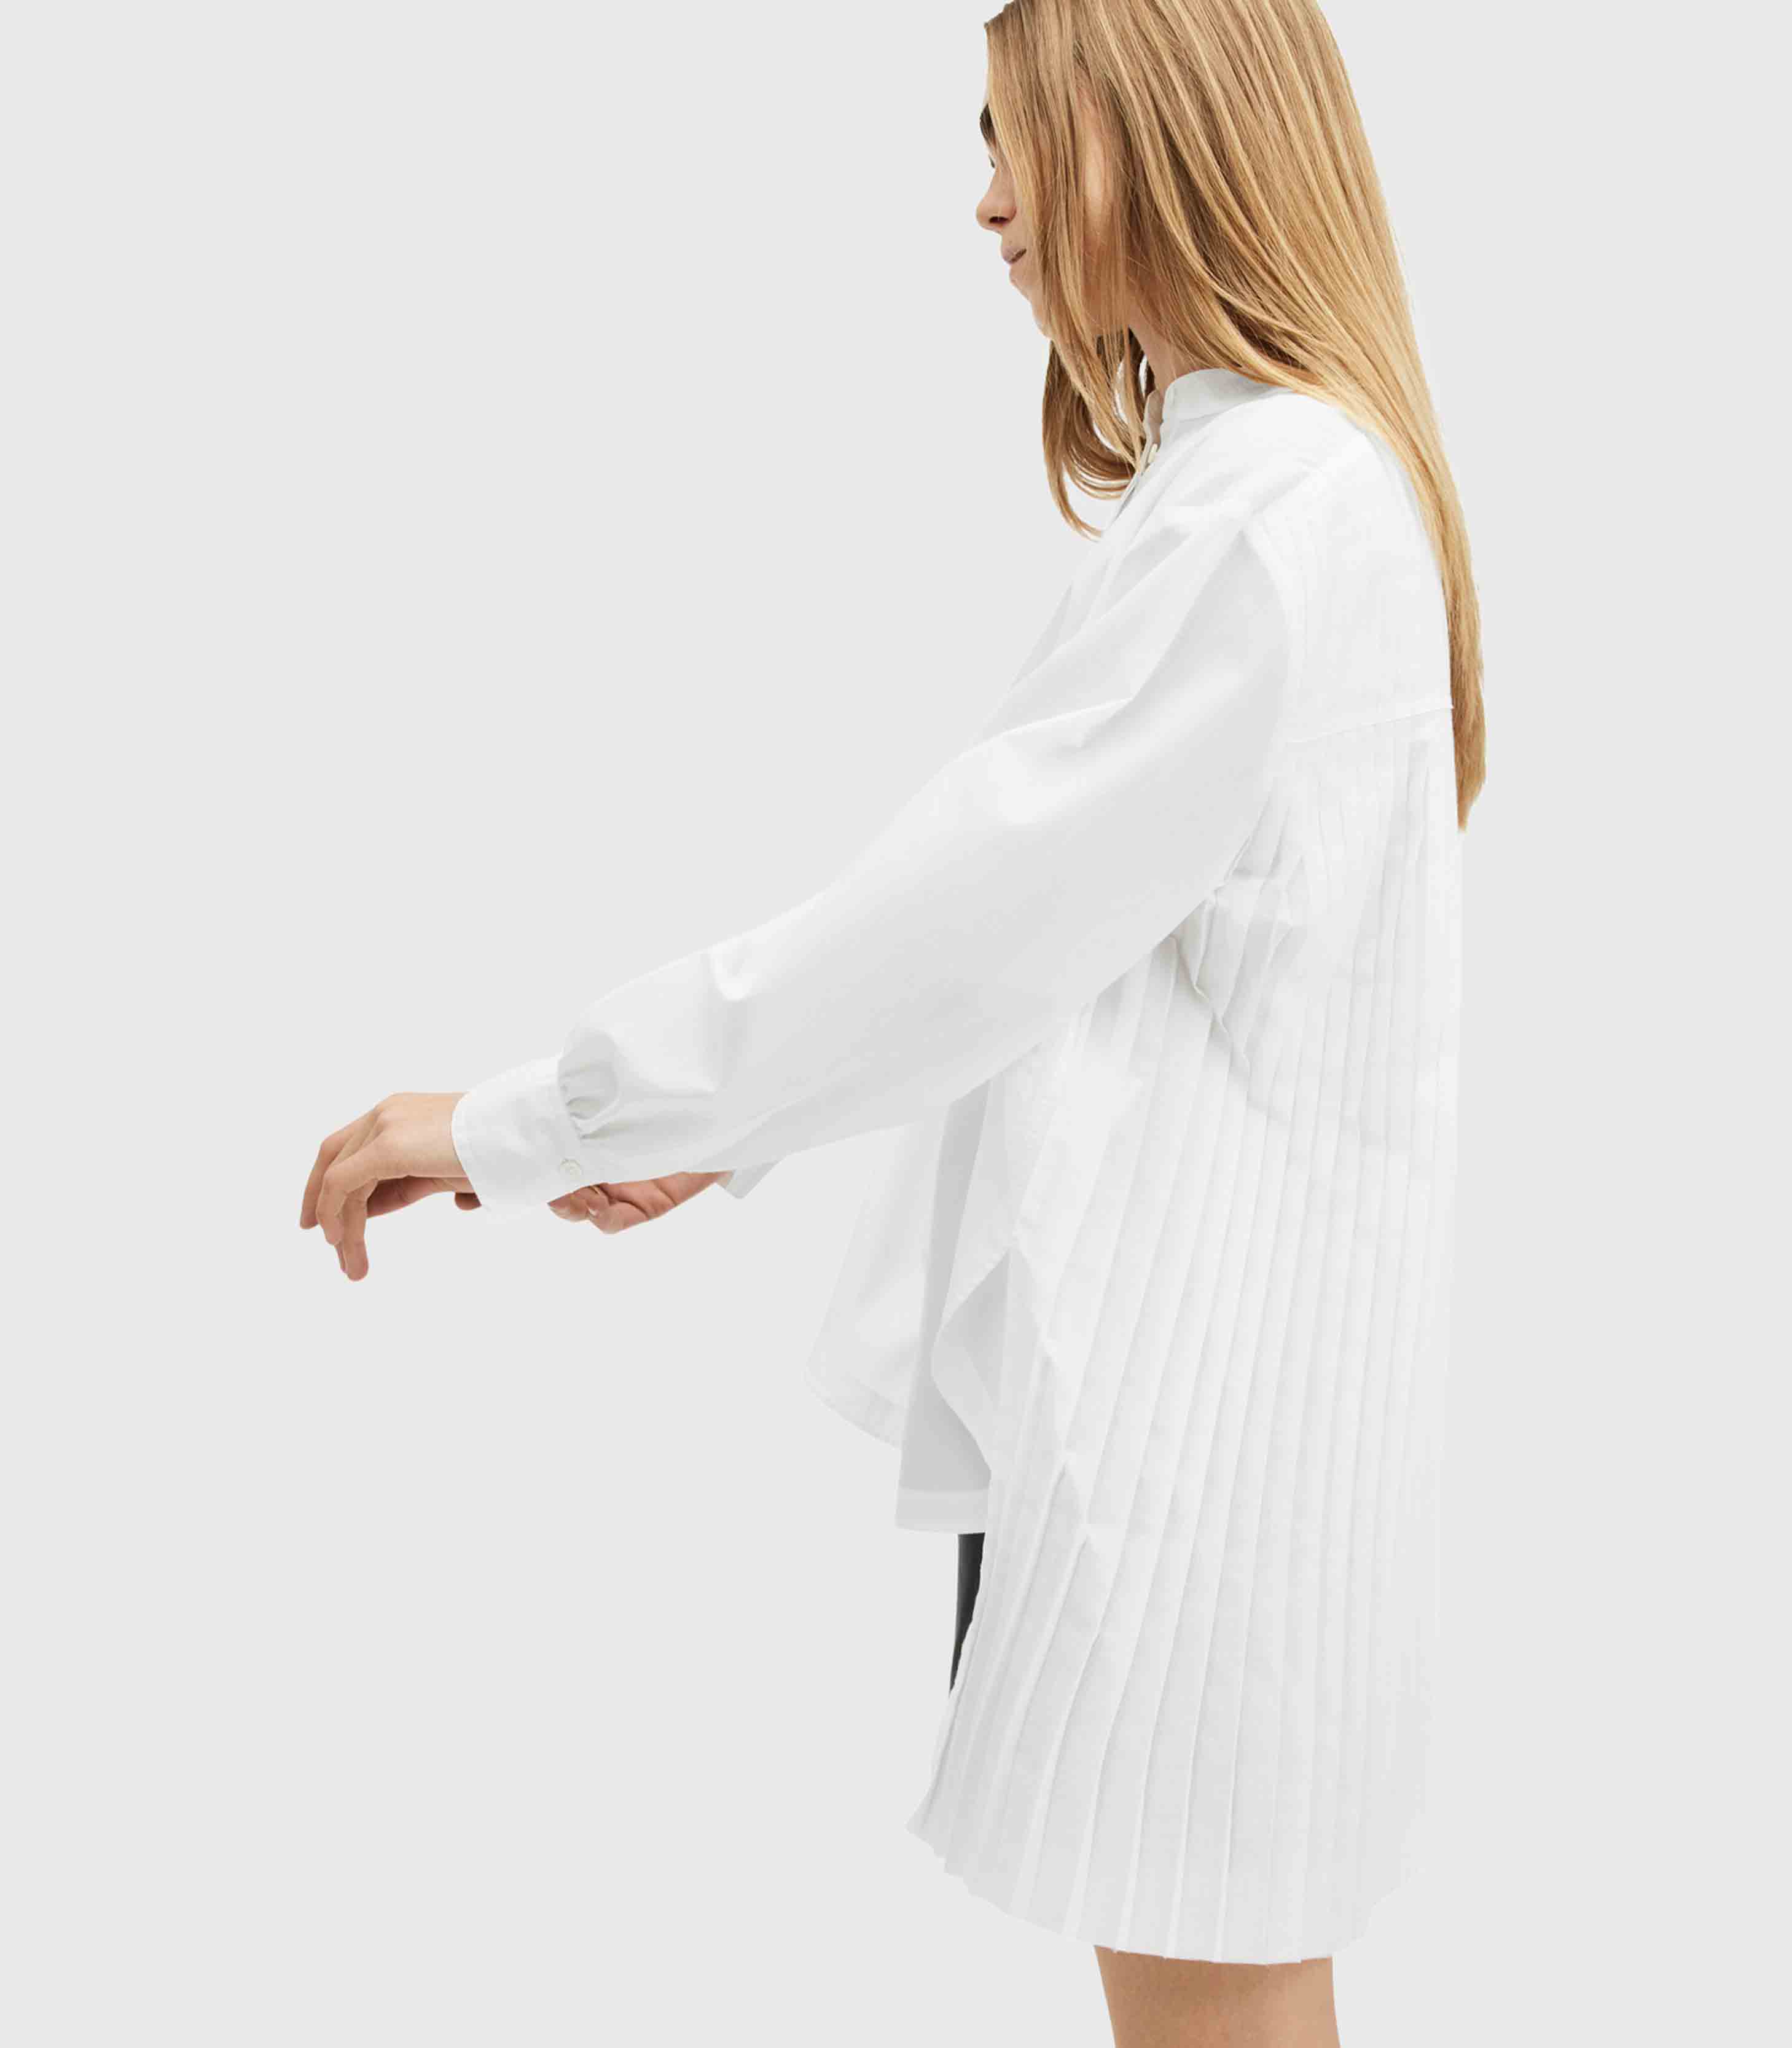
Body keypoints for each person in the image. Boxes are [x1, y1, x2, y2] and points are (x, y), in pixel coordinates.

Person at [301, 1, 1484, 2038]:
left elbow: (957, 922)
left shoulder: (1267, 513)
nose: (990, 202)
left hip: (1186, 1419)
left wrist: (528, 1121)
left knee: (1214, 2011)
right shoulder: (1287, 491)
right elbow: (1027, 937)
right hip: (1228, 1422)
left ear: (1169, 137)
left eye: (1026, 137)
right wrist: (711, 1132)